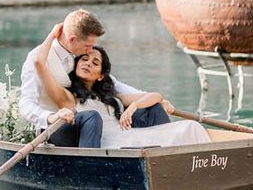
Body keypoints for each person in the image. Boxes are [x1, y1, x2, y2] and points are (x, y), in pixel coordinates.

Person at [19, 10, 172, 148]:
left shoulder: (81, 57)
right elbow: (26, 105)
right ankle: (91, 170)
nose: (91, 51)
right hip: (55, 128)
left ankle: (166, 157)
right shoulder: (39, 57)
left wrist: (149, 99)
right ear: (72, 40)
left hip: (90, 120)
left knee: (151, 109)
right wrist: (50, 116)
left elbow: (115, 85)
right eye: (88, 46)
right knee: (92, 117)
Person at [36, 40, 210, 149]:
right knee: (185, 130)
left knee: (190, 127)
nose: (88, 63)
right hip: (109, 143)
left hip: (128, 134)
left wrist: (133, 106)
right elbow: (39, 63)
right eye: (84, 59)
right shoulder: (68, 97)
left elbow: (156, 96)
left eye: (95, 62)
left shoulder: (111, 97)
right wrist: (53, 36)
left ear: (101, 76)